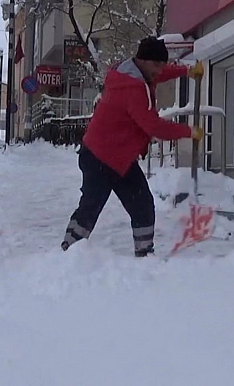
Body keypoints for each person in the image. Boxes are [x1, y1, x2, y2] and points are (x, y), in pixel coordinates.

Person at [61, 36, 204, 258]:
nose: (159, 70)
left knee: (143, 204)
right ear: (143, 60)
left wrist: (185, 71)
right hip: (100, 157)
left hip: (119, 158)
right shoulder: (133, 89)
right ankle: (67, 254)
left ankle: (145, 254)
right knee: (90, 207)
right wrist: (189, 132)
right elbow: (153, 126)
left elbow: (161, 74)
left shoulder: (132, 73)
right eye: (156, 65)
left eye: (161, 65)